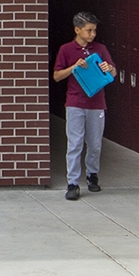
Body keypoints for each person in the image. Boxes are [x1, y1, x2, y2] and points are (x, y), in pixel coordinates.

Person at [51, 11, 113, 199]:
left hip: (97, 103)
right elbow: (56, 76)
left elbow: (113, 71)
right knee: (75, 143)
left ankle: (92, 174)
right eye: (89, 30)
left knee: (95, 144)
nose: (93, 34)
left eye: (94, 30)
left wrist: (109, 68)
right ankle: (73, 182)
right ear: (77, 30)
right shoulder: (66, 49)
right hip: (75, 102)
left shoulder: (100, 49)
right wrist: (74, 68)